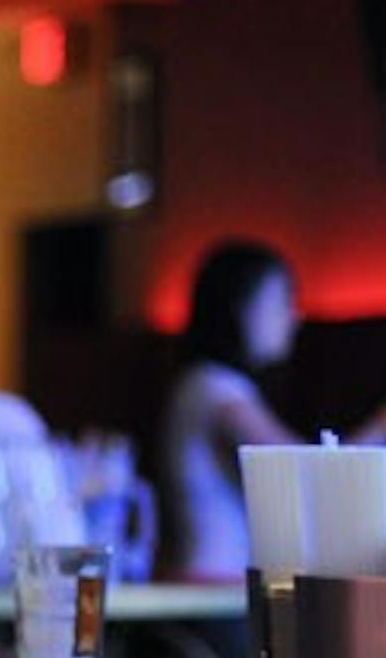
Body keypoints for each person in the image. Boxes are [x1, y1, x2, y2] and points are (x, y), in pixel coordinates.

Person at [160, 239, 386, 579]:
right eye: (282, 301)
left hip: (217, 584)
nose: (293, 318)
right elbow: (307, 478)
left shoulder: (208, 384)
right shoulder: (216, 389)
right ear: (241, 308)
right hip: (214, 588)